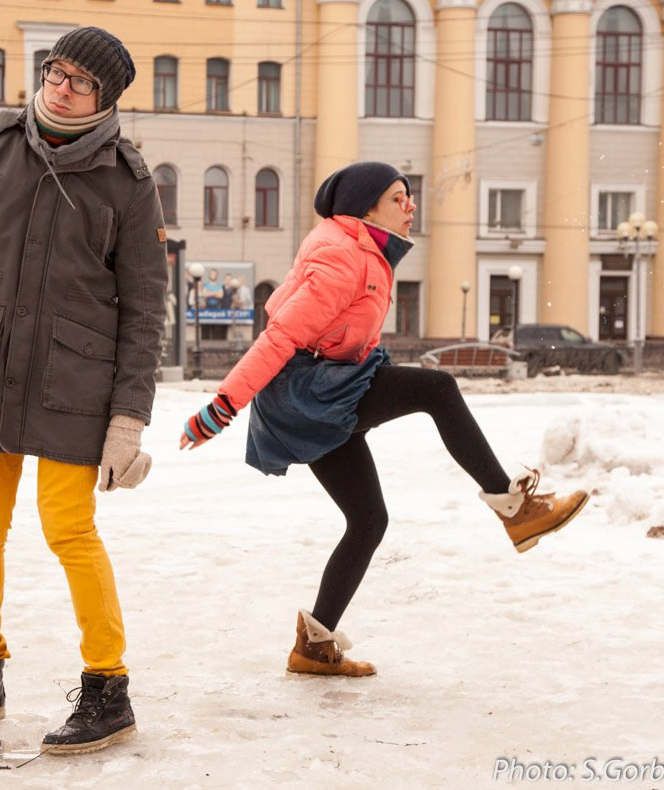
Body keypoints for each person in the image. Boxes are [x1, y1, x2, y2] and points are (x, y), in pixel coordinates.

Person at [179, 161, 588, 676]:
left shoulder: (367, 252)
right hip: (311, 393)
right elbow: (279, 338)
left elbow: (349, 335)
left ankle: (314, 647)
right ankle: (514, 509)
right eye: (399, 197)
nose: (410, 206)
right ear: (366, 207)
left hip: (331, 389)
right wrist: (220, 409)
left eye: (409, 196)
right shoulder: (342, 256)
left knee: (369, 520)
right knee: (439, 388)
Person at [0, 27, 167, 753]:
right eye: (56, 70)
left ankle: (108, 685)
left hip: (78, 383)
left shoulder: (129, 181)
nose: (60, 85)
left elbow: (145, 310)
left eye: (79, 80)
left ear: (104, 97)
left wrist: (129, 420)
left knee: (68, 529)